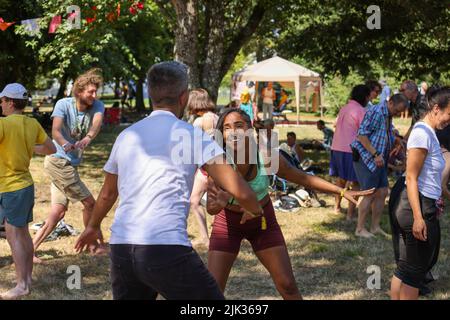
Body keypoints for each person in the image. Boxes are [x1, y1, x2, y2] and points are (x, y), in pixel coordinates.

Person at [74, 61, 265, 300]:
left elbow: (107, 194)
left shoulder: (126, 135)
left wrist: (92, 226)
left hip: (122, 248)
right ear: (184, 97)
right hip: (165, 248)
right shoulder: (192, 135)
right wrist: (255, 210)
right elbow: (241, 190)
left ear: (151, 94)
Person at [205, 108, 374, 299]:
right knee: (213, 291)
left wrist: (341, 190)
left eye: (239, 126)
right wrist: (222, 202)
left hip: (263, 222)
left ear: (250, 129)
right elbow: (211, 209)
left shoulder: (267, 157)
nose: (233, 132)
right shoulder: (218, 163)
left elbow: (303, 178)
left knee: (287, 285)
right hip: (228, 223)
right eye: (227, 128)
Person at [32, 69, 107, 263]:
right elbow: (55, 130)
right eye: (90, 91)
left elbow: (96, 125)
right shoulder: (63, 104)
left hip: (69, 165)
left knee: (58, 212)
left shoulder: (97, 105)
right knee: (90, 203)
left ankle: (29, 250)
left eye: (95, 91)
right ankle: (93, 246)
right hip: (58, 161)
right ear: (79, 91)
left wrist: (88, 138)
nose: (94, 95)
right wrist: (65, 143)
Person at [389, 86, 450, 300]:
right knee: (415, 273)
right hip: (419, 206)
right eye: (449, 114)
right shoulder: (422, 134)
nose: (449, 120)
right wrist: (418, 217)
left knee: (406, 267)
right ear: (436, 108)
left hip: (420, 203)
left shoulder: (428, 133)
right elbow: (411, 177)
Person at [0, 83, 56, 299]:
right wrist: (27, 147)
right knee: (22, 234)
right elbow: (51, 148)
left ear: (11, 102)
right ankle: (27, 279)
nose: (1, 104)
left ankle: (22, 285)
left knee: (14, 236)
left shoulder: (4, 125)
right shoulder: (32, 124)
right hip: (25, 185)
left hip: (11, 187)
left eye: (3, 100)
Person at [350, 94, 409, 238]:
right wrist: (375, 154)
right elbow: (362, 135)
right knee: (369, 193)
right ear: (391, 103)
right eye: (397, 110)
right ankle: (359, 229)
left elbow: (382, 133)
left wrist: (395, 140)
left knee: (382, 192)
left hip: (380, 159)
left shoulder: (387, 114)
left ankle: (375, 227)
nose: (398, 114)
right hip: (367, 158)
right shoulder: (376, 112)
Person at [330, 85, 370, 219]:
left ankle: (336, 207)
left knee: (341, 180)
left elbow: (335, 124)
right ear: (365, 97)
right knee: (356, 183)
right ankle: (350, 214)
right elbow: (365, 132)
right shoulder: (360, 111)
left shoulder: (344, 108)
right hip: (350, 149)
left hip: (336, 147)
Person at [187, 88, 219, 247]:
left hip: (205, 168)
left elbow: (194, 147)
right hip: (219, 166)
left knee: (194, 201)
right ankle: (214, 237)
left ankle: (205, 238)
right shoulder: (217, 118)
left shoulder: (198, 122)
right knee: (218, 203)